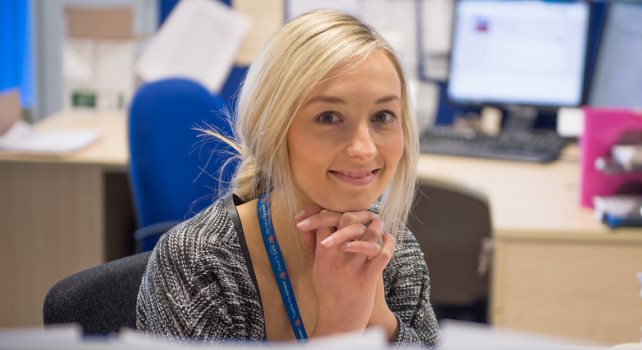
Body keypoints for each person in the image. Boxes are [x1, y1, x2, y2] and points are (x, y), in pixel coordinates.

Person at [136, 9, 439, 347]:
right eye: (329, 117)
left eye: (383, 116)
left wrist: (381, 322)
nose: (364, 149)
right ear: (274, 129)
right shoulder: (197, 263)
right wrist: (341, 327)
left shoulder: (391, 248)